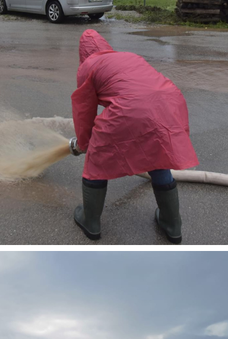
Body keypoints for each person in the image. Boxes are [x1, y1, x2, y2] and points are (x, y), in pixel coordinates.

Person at [70, 29, 199, 244]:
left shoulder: (87, 67)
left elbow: (84, 111)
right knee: (158, 152)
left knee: (96, 159)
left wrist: (84, 144)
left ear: (83, 53)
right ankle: (172, 224)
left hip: (132, 108)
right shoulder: (128, 56)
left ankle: (90, 221)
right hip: (168, 102)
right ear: (105, 46)